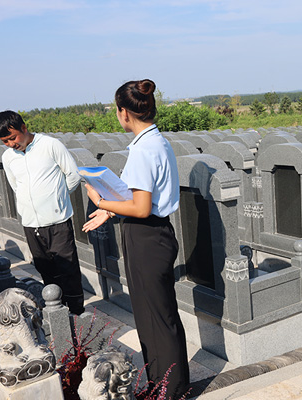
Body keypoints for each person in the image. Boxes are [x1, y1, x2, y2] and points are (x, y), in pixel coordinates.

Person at [82, 79, 189, 398]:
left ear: (124, 113)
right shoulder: (155, 141)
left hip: (147, 236)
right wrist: (111, 212)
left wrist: (101, 202)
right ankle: (172, 385)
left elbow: (141, 207)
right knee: (159, 315)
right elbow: (134, 198)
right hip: (152, 233)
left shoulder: (144, 150)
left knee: (156, 319)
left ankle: (169, 391)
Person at [0, 110, 85, 315]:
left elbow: (73, 175)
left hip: (57, 221)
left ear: (24, 128)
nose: (11, 144)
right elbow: (16, 186)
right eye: (5, 141)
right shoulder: (8, 157)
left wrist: (56, 198)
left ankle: (77, 312)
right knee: (46, 270)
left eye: (13, 137)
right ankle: (57, 313)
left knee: (68, 269)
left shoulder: (50, 145)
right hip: (31, 223)